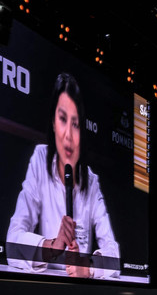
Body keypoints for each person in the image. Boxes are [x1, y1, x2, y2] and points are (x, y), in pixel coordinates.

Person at [6, 72, 119, 279]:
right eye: (63, 119)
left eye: (75, 124)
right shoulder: (40, 160)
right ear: (53, 123)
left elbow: (114, 255)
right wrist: (51, 247)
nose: (68, 134)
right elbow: (12, 243)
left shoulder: (91, 181)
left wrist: (89, 267)